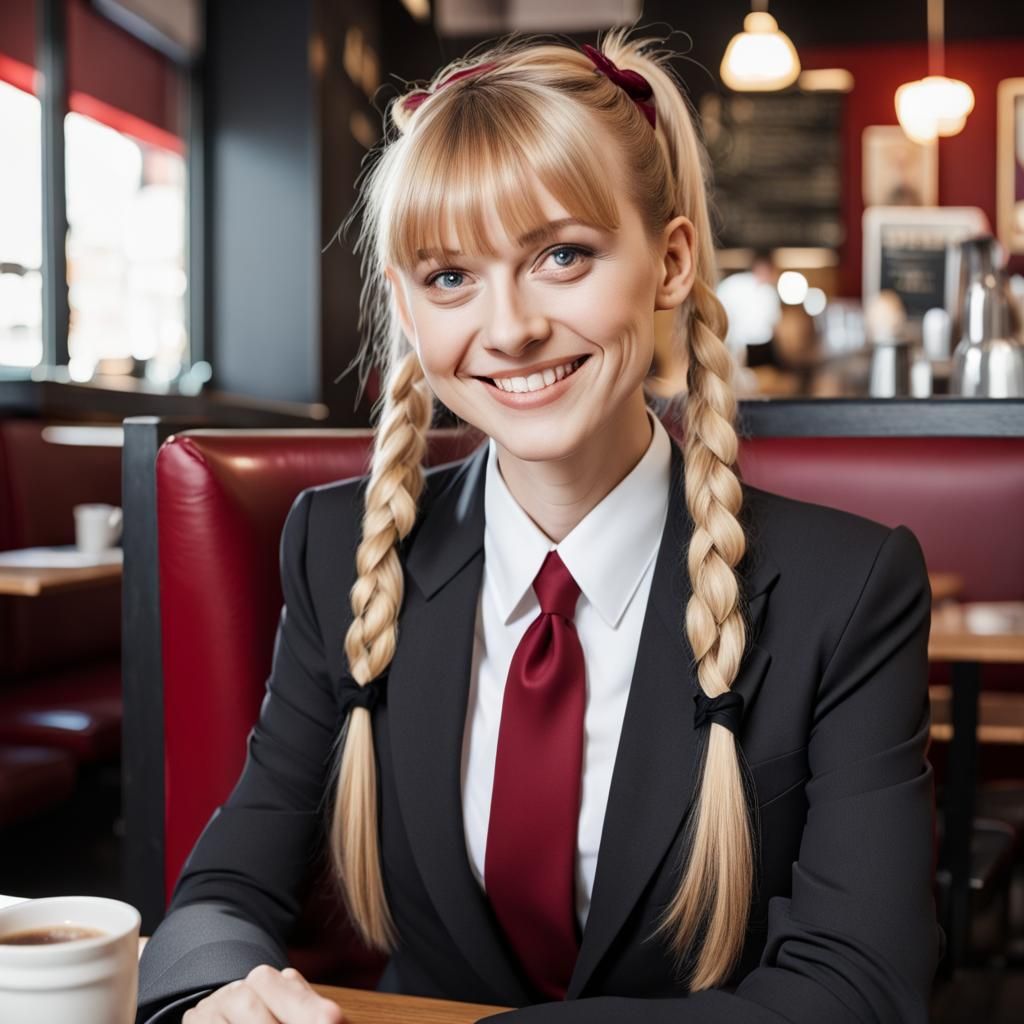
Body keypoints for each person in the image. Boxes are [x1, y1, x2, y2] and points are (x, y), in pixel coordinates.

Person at [136, 24, 942, 1024]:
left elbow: (858, 987)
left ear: (671, 262)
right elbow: (222, 892)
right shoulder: (337, 549)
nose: (510, 327)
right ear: (406, 307)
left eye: (562, 255)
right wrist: (216, 993)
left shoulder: (846, 589)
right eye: (449, 277)